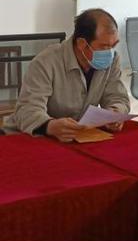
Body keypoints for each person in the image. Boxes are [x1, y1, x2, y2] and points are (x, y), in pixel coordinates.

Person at [4, 8, 130, 142]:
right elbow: (27, 110)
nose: (109, 52)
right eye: (104, 47)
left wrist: (115, 113)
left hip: (76, 137)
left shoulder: (112, 60)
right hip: (29, 136)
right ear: (82, 44)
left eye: (113, 46)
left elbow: (118, 97)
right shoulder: (46, 61)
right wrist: (50, 126)